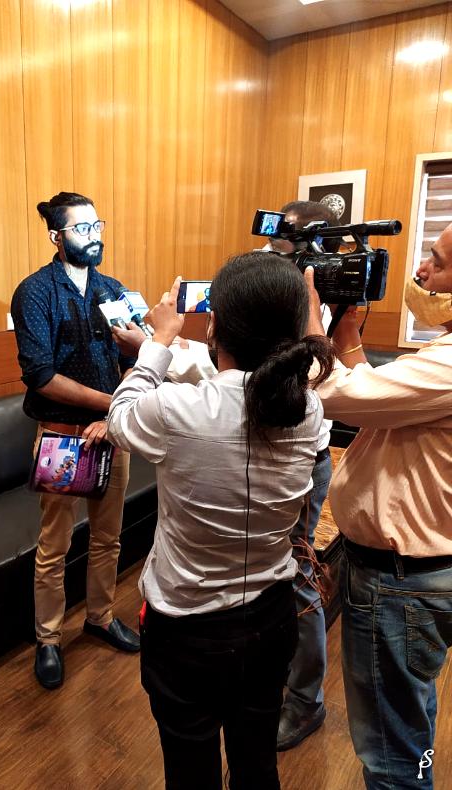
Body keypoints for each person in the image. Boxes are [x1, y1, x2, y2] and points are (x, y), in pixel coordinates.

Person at [113, 200, 340, 750]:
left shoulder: (177, 410)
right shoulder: (309, 411)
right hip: (270, 617)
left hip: (185, 627)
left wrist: (159, 341)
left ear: (214, 325)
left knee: (188, 763)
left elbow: (121, 417)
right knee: (256, 760)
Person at [305, 222, 452, 790]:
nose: (421, 271)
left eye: (438, 263)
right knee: (409, 715)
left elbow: (337, 396)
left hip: (401, 582)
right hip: (418, 575)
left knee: (391, 752)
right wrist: (346, 331)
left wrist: (311, 322)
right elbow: (377, 397)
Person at [11, 191, 140, 691]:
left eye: (97, 225)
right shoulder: (35, 292)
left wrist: (114, 415)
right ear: (56, 236)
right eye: (82, 228)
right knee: (54, 546)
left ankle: (100, 618)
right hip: (61, 436)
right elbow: (40, 375)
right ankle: (48, 638)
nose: (94, 236)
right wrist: (110, 404)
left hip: (112, 434)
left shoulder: (113, 289)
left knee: (108, 538)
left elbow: (135, 360)